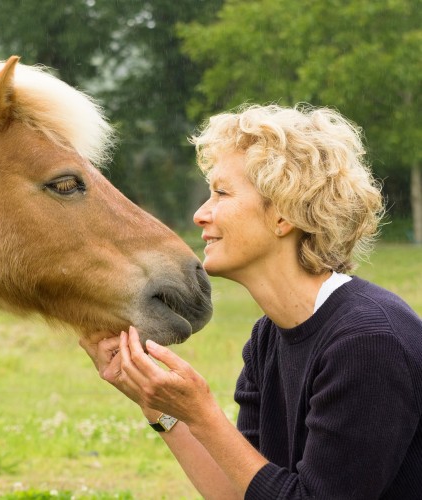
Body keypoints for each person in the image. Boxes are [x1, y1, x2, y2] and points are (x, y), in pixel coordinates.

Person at [80, 104, 422, 499]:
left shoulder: (369, 342)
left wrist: (204, 414)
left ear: (283, 215)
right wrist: (157, 405)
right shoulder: (268, 338)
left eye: (221, 193)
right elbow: (244, 491)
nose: (200, 215)